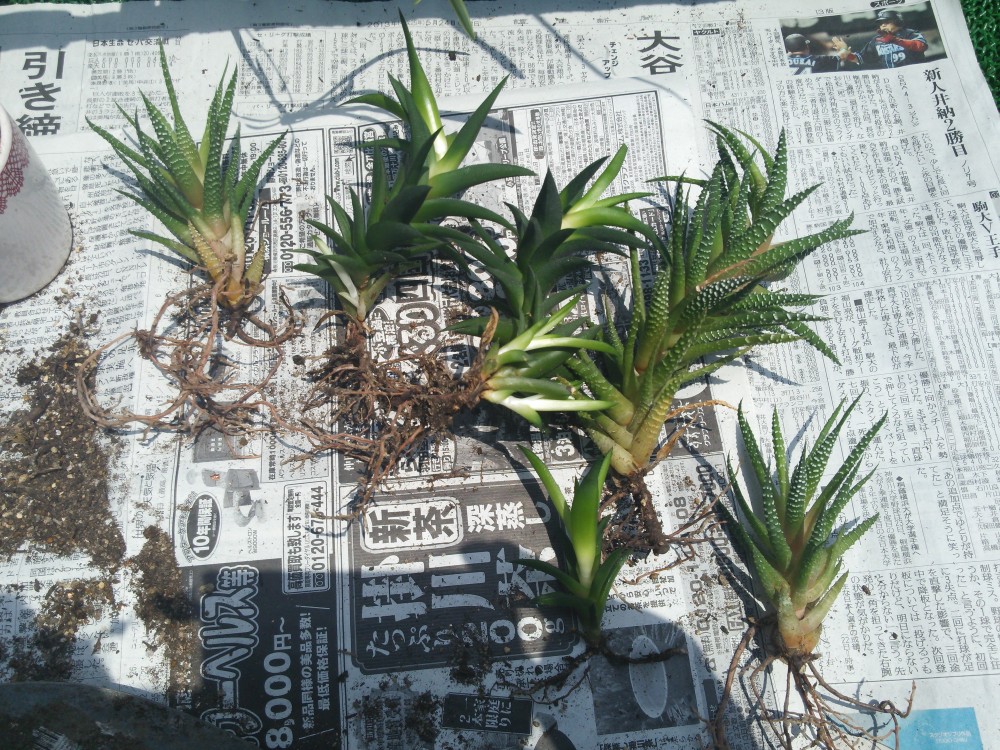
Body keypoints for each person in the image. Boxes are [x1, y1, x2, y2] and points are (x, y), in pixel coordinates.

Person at [846, 10, 928, 69]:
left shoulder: (909, 33)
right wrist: (847, 54)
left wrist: (895, 40)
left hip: (915, 76)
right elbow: (860, 58)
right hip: (893, 80)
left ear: (897, 22)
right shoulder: (877, 40)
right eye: (881, 23)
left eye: (886, 22)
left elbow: (921, 46)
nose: (883, 25)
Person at [785, 33, 851, 74]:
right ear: (807, 46)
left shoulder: (782, 64)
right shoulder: (820, 60)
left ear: (788, 50)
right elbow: (843, 55)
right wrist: (843, 47)